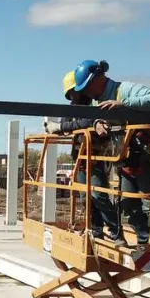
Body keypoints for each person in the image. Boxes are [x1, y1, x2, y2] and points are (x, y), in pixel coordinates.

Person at [63, 59, 150, 251]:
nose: (84, 93)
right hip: (126, 156)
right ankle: (144, 242)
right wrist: (97, 122)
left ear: (96, 79)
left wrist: (123, 104)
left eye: (86, 87)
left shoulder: (125, 90)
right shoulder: (99, 102)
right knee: (127, 202)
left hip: (147, 155)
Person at [44, 85, 123, 245]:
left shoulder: (93, 107)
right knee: (85, 197)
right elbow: (69, 124)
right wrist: (59, 127)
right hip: (80, 159)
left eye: (75, 92)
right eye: (70, 94)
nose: (73, 96)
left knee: (99, 195)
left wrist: (61, 127)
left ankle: (116, 232)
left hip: (95, 157)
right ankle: (96, 230)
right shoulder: (71, 109)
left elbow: (85, 122)